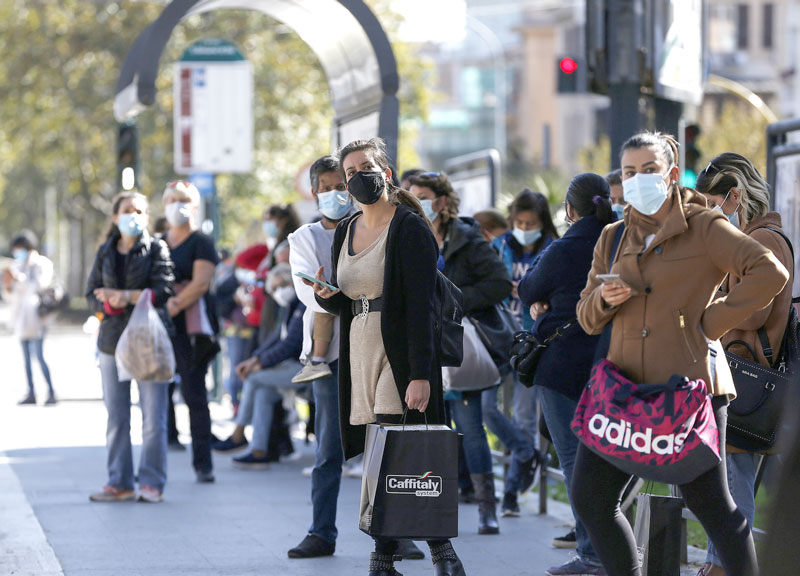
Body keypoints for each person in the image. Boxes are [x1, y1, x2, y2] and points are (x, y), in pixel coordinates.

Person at [573, 131, 789, 576]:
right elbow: (586, 318)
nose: (637, 180)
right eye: (630, 172)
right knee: (591, 499)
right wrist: (605, 301)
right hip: (624, 391)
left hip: (691, 388)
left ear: (671, 174)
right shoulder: (612, 238)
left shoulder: (705, 226)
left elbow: (770, 272)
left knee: (712, 506)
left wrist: (709, 322)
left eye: (648, 170)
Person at [310, 137, 466, 576]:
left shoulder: (409, 228)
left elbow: (421, 308)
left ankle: (406, 555)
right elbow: (353, 299)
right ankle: (434, 555)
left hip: (398, 351)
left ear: (386, 172)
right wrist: (329, 296)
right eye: (349, 174)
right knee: (389, 452)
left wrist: (420, 374)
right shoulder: (345, 229)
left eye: (365, 168)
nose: (357, 178)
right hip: (358, 349)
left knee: (396, 451)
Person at [694, 152, 794, 576]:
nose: (711, 213)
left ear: (735, 195)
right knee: (729, 476)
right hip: (741, 369)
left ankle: (726, 567)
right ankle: (724, 563)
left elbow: (752, 313)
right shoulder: (757, 235)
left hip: (745, 373)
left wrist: (706, 303)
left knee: (733, 479)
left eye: (713, 203)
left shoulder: (764, 240)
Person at [518, 173, 613, 576]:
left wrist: (543, 303)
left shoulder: (565, 247)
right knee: (608, 457)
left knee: (574, 460)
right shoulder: (623, 242)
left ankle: (592, 553)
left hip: (561, 368)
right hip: (614, 364)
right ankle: (609, 544)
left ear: (570, 210)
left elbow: (527, 290)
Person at [409, 170, 512, 536]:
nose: (417, 201)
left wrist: (454, 303)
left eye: (423, 195)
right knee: (431, 430)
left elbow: (500, 282)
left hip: (460, 343)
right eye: (411, 194)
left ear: (441, 201)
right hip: (421, 346)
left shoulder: (467, 237)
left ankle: (488, 508)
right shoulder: (405, 234)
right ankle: (435, 508)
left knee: (469, 426)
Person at [86, 192, 175, 503]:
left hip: (147, 342)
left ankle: (152, 482)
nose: (133, 215)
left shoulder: (156, 248)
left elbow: (164, 290)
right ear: (115, 217)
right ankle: (119, 482)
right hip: (111, 342)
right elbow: (91, 293)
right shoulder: (105, 251)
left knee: (153, 417)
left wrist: (125, 296)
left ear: (147, 217)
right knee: (117, 416)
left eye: (139, 211)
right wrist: (106, 304)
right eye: (127, 210)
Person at [282, 155, 351, 559]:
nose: (335, 193)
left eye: (340, 185)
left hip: (372, 350)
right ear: (314, 193)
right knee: (329, 448)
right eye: (326, 187)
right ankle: (322, 531)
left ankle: (395, 532)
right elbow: (312, 290)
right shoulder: (303, 239)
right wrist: (338, 292)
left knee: (381, 442)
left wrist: (338, 289)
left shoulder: (371, 228)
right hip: (328, 360)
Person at [488, 189, 559, 517]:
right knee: (488, 409)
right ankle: (526, 453)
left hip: (534, 344)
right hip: (500, 340)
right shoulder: (500, 246)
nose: (524, 227)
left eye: (530, 222)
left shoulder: (553, 250)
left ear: (542, 223)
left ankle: (513, 491)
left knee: (526, 416)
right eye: (518, 221)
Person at [213, 262, 306, 467]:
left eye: (283, 284)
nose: (280, 291)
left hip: (306, 368)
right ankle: (258, 450)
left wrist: (259, 365)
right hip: (292, 368)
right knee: (263, 391)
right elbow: (277, 339)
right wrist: (255, 359)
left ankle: (238, 434)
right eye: (275, 288)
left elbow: (290, 345)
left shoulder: (303, 304)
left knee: (255, 378)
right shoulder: (290, 306)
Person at [162, 181, 220, 484]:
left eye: (183, 200)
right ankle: (162, 450)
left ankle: (203, 463)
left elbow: (199, 284)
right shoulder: (158, 241)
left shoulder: (201, 242)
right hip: (162, 328)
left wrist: (171, 305)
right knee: (158, 392)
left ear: (194, 206)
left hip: (193, 329)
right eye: (172, 200)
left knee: (194, 394)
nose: (177, 205)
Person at [3, 230, 56, 405]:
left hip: (38, 318)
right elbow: (12, 296)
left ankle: (51, 391)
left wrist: (19, 279)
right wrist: (9, 285)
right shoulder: (17, 265)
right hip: (21, 319)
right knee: (26, 358)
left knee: (39, 356)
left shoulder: (41, 264)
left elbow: (40, 285)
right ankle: (31, 392)